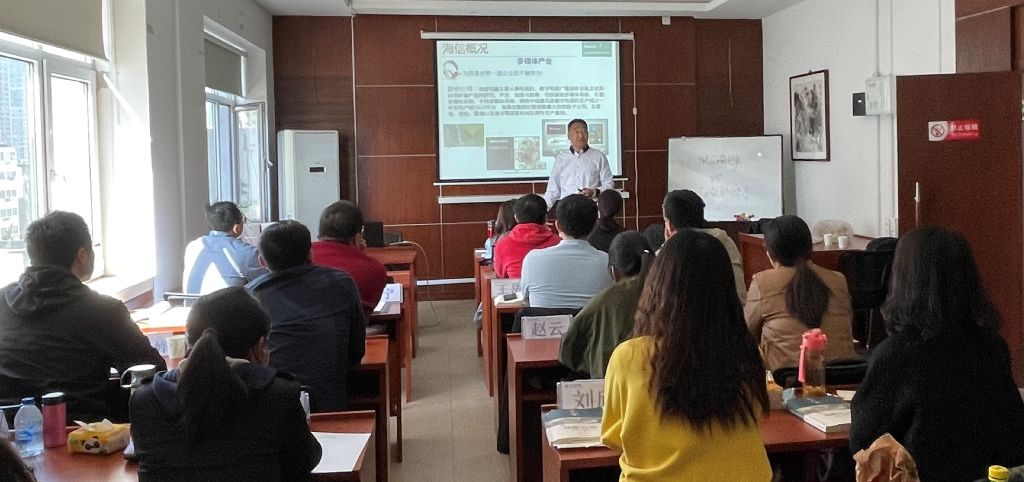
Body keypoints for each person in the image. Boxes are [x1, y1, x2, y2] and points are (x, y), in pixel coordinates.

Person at [850, 226, 1024, 481]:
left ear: (902, 282)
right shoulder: (992, 347)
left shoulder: (897, 355)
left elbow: (863, 442)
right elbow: (1015, 436)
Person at [601, 230, 771, 480]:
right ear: (726, 289)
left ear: (658, 286)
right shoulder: (748, 353)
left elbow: (614, 437)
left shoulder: (628, 357)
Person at [131, 287, 321, 481]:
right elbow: (303, 462)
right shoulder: (277, 395)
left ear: (189, 344)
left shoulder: (145, 400)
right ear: (261, 347)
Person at [0, 211, 165, 423]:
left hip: (7, 434)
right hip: (81, 431)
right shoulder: (103, 310)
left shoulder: (2, 301)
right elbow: (151, 369)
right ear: (82, 254)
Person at [248, 220, 366, 412]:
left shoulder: (249, 296)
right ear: (311, 254)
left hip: (269, 406)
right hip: (330, 402)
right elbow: (356, 349)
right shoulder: (342, 282)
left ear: (262, 262)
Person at [744, 215, 856, 371]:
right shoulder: (838, 280)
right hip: (845, 374)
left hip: (788, 379)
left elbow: (747, 335)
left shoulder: (762, 283)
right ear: (810, 247)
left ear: (769, 253)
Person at [559, 231, 653, 378]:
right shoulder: (669, 294)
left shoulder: (602, 302)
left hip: (610, 383)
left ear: (614, 272)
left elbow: (567, 352)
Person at [521, 194, 613, 308]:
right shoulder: (607, 262)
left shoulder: (532, 260)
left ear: (558, 226)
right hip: (591, 320)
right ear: (595, 226)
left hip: (546, 320)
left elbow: (526, 299)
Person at [662, 189, 746, 304]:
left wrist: (668, 246)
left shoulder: (666, 254)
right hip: (731, 313)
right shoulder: (726, 242)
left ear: (670, 226)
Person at [311, 200, 388, 318]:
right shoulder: (374, 269)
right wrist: (359, 255)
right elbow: (365, 314)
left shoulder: (300, 256)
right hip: (344, 329)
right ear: (358, 236)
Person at [182, 202, 266, 294]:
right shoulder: (247, 252)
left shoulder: (192, 246)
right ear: (236, 227)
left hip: (192, 303)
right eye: (243, 220)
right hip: (225, 303)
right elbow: (267, 282)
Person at [542, 119, 614, 210]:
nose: (580, 135)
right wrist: (542, 211)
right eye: (576, 132)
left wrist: (594, 192)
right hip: (566, 209)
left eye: (584, 131)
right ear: (569, 136)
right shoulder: (561, 158)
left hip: (589, 208)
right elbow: (553, 190)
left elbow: (609, 184)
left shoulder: (599, 156)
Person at [493, 194, 559, 278]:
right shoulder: (558, 243)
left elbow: (501, 275)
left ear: (516, 218)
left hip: (517, 286)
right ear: (545, 218)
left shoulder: (503, 244)